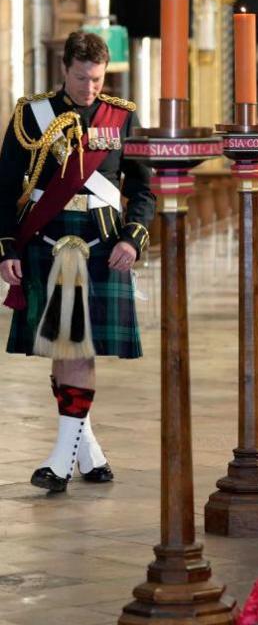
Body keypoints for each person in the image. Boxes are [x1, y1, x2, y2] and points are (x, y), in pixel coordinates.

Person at [0, 31, 154, 493]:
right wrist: (7, 248)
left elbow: (143, 189)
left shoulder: (121, 117)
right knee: (63, 348)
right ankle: (85, 452)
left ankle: (60, 464)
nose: (90, 87)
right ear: (64, 68)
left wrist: (134, 238)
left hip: (103, 247)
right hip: (46, 243)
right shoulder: (32, 115)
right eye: (82, 77)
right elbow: (5, 187)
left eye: (98, 78)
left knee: (74, 350)